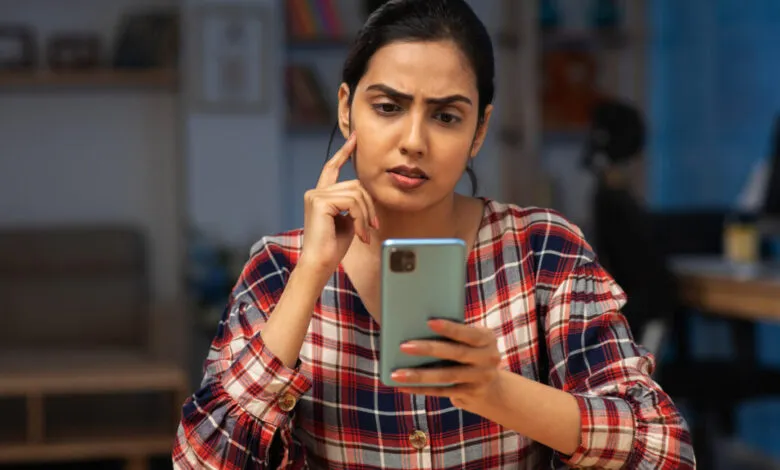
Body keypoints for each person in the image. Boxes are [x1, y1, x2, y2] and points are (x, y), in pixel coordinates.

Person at [173, 1, 695, 468]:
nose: (414, 141)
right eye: (387, 107)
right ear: (345, 107)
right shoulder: (278, 267)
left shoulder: (541, 249)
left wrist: (496, 391)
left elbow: (663, 451)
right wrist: (309, 276)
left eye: (446, 116)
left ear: (479, 131)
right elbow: (201, 462)